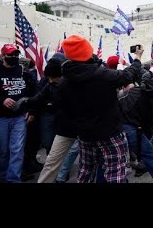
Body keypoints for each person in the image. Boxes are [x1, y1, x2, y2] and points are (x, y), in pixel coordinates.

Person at [56, 35, 142, 183]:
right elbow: (128, 75)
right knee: (115, 175)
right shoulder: (102, 75)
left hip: (85, 136)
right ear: (87, 52)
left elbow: (65, 111)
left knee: (85, 174)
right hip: (110, 134)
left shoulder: (64, 82)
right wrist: (138, 59)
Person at [0, 43, 36, 183]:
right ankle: (4, 176)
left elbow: (33, 93)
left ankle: (13, 179)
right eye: (11, 55)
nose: (14, 57)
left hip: (19, 117)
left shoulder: (23, 71)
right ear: (3, 56)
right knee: (3, 151)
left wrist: (31, 110)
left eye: (16, 54)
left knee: (17, 149)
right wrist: (1, 100)